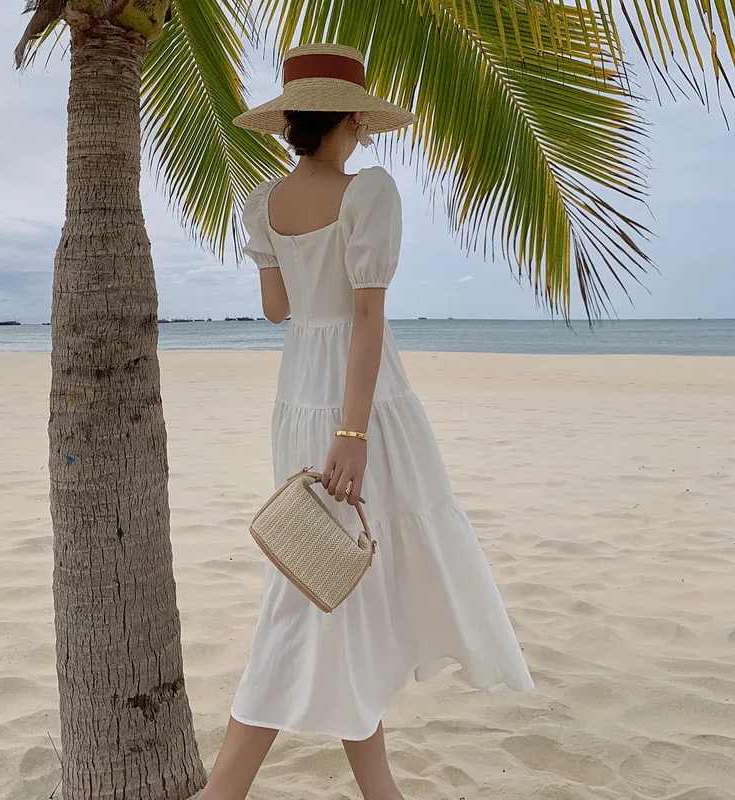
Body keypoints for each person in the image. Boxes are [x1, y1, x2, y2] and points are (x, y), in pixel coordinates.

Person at [199, 43, 533, 800]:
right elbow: (365, 314)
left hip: (296, 394)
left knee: (326, 576)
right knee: (315, 587)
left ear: (290, 121)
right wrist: (352, 434)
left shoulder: (263, 201)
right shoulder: (368, 192)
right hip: (363, 400)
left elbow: (278, 310)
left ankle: (379, 789)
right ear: (353, 115)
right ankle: (224, 789)